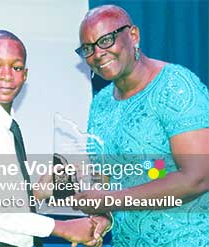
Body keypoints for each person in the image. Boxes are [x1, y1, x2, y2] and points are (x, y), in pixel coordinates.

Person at [0, 30, 108, 247]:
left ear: (25, 75)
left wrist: (37, 192)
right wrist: (64, 228)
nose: (6, 75)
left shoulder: (4, 126)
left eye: (15, 68)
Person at [73, 5, 209, 246]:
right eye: (88, 48)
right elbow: (121, 174)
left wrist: (112, 200)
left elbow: (198, 177)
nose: (97, 53)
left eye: (106, 40)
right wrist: (103, 216)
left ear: (133, 35)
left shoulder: (174, 85)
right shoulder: (102, 102)